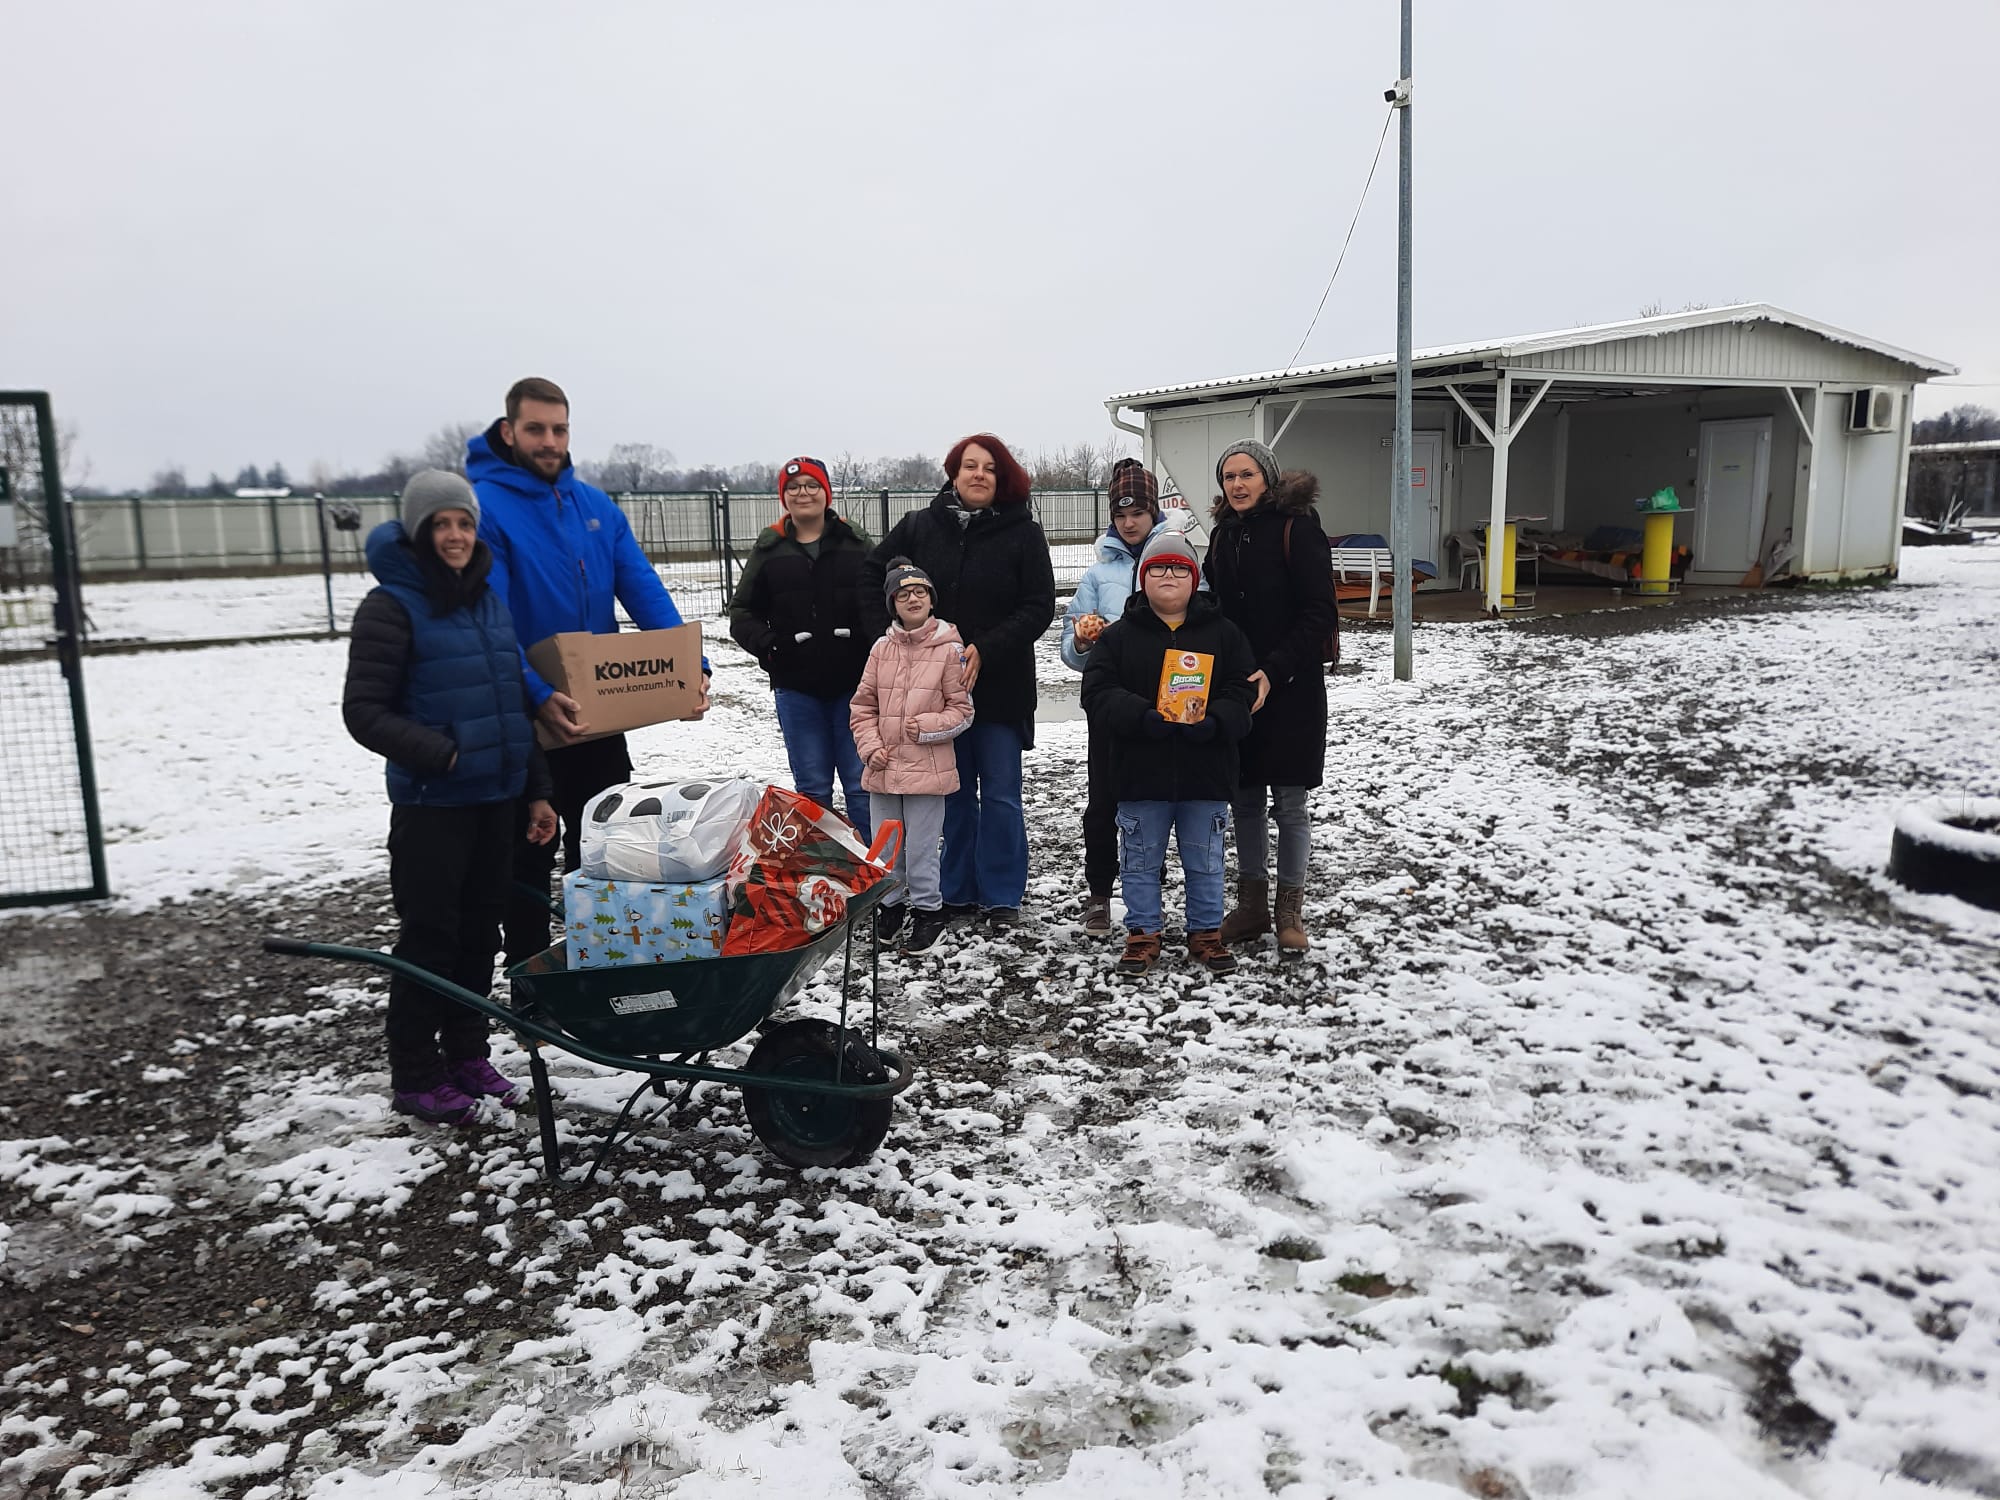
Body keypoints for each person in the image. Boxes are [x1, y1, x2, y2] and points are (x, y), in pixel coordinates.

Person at [465, 377, 710, 967]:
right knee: (529, 852)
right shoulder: (482, 507)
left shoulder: (595, 507)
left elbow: (642, 587)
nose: (550, 442)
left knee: (603, 841)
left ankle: (592, 963)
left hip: (597, 713)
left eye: (559, 429)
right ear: (509, 432)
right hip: (525, 719)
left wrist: (689, 664)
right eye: (536, 429)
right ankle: (528, 977)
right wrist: (538, 692)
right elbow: (489, 620)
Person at [342, 471, 559, 1124]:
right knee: (430, 940)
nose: (457, 535)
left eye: (464, 523)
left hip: (495, 802)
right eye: (442, 524)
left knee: (477, 937)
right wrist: (445, 753)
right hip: (433, 808)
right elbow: (364, 713)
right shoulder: (390, 607)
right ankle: (415, 1075)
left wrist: (536, 792)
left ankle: (467, 1056)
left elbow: (512, 707)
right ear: (418, 531)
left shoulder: (487, 602)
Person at [861, 435, 1054, 927]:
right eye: (969, 466)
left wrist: (986, 648)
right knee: (953, 794)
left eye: (989, 468)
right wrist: (885, 639)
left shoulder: (1023, 534)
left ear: (1001, 477)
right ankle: (957, 891)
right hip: (931, 698)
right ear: (953, 473)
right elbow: (871, 576)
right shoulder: (919, 527)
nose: (978, 475)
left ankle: (1002, 894)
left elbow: (1038, 607)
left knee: (1003, 797)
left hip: (1000, 687)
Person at [1080, 531, 1255, 978]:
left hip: (1207, 772)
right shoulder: (1118, 638)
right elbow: (1098, 691)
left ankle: (1205, 933)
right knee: (1139, 859)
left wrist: (1217, 722)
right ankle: (1143, 932)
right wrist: (1140, 717)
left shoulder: (1224, 633)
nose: (1169, 576)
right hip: (1140, 773)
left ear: (1195, 578)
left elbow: (1241, 689)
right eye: (1158, 568)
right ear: (1143, 578)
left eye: (1180, 568)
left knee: (1206, 858)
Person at [1203, 439, 1338, 957]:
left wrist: (1272, 671)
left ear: (1268, 478)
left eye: (1246, 475)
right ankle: (1252, 905)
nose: (1237, 485)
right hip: (1237, 688)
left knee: (1289, 802)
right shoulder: (1221, 535)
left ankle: (1288, 910)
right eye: (1229, 477)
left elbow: (1318, 612)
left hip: (1291, 687)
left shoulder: (1297, 530)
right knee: (1244, 800)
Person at [1062, 458, 1181, 935]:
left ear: (1153, 513)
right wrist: (1083, 642)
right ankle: (1098, 892)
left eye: (1137, 513)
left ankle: (1147, 885)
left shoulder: (1177, 560)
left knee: (1153, 799)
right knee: (1103, 801)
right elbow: (1070, 650)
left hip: (1164, 705)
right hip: (1109, 708)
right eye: (1120, 514)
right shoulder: (1097, 575)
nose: (1129, 522)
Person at [728, 456, 873, 836]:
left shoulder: (855, 544)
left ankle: (875, 875)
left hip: (855, 688)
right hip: (797, 689)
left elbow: (878, 601)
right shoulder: (769, 549)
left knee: (862, 786)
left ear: (826, 493)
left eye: (812, 486)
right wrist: (772, 648)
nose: (802, 493)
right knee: (812, 791)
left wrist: (866, 645)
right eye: (793, 487)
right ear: (783, 497)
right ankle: (823, 876)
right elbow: (742, 612)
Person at [849, 558, 974, 955]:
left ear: (932, 600)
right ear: (892, 604)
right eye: (903, 594)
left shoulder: (950, 649)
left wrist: (928, 726)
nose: (913, 598)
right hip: (882, 767)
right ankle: (889, 907)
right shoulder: (881, 649)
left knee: (921, 847)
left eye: (920, 592)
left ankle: (928, 911)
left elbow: (962, 710)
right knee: (885, 847)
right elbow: (862, 706)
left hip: (927, 770)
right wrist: (869, 747)